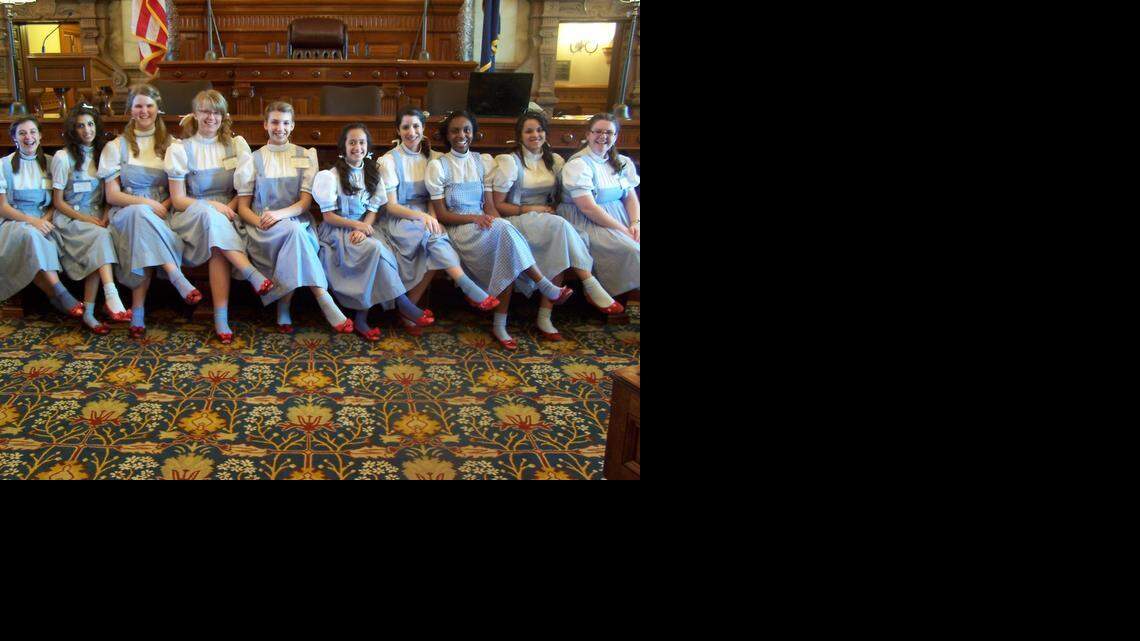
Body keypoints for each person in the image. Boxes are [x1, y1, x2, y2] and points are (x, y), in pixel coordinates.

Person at [426, 110, 574, 350]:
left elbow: (489, 206)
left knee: (505, 241)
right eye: (455, 131)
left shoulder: (482, 162)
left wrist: (498, 224)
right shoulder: (438, 166)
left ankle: (501, 324)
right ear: (447, 135)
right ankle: (543, 286)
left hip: (483, 225)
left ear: (474, 133)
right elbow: (442, 215)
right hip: (459, 229)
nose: (461, 135)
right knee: (504, 235)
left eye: (466, 130)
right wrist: (477, 219)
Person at [492, 111, 623, 341]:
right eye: (529, 131)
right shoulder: (510, 162)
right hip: (516, 218)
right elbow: (499, 205)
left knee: (562, 236)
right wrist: (532, 209)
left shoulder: (555, 161)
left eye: (540, 130)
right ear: (520, 135)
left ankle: (545, 317)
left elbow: (565, 195)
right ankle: (589, 283)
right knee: (559, 227)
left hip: (547, 220)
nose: (535, 135)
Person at [377, 106, 498, 336]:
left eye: (416, 126)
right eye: (405, 127)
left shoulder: (434, 158)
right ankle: (467, 286)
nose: (411, 132)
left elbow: (435, 197)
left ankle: (409, 308)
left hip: (426, 215)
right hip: (401, 217)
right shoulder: (389, 160)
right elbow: (391, 206)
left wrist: (433, 217)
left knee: (437, 239)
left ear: (423, 128)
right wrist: (424, 217)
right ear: (398, 130)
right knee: (433, 238)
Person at [235, 101, 353, 334]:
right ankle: (321, 296)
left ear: (292, 126)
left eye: (285, 123)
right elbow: (243, 208)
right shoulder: (253, 159)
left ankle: (284, 306)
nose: (280, 128)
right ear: (265, 125)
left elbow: (304, 204)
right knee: (294, 233)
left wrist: (279, 215)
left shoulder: (305, 156)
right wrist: (263, 222)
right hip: (262, 228)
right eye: (275, 122)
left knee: (294, 231)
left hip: (297, 221)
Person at [166, 89, 273, 344]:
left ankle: (220, 316)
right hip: (191, 212)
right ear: (195, 114)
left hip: (230, 212)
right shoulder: (180, 149)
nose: (210, 117)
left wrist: (229, 209)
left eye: (216, 112)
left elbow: (242, 191)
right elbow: (178, 200)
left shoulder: (236, 145)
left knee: (217, 246)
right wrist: (213, 206)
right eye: (205, 111)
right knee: (210, 217)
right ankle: (249, 272)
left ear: (223, 116)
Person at [313, 123, 434, 341]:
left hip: (365, 228)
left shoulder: (372, 173)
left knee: (379, 250)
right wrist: (356, 226)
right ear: (343, 146)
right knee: (375, 250)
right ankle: (403, 303)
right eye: (352, 142)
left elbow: (373, 209)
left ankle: (363, 318)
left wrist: (366, 228)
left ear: (367, 146)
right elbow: (328, 216)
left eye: (361, 142)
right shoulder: (330, 176)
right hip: (339, 230)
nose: (357, 147)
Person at [100, 83, 200, 338]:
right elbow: (112, 195)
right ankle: (175, 275)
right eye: (138, 106)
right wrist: (145, 205)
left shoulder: (172, 145)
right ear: (130, 110)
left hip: (163, 211)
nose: (144, 111)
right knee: (139, 216)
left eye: (149, 106)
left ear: (158, 109)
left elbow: (178, 191)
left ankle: (138, 310)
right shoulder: (116, 146)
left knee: (143, 230)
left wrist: (160, 206)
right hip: (125, 210)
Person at [50, 104, 132, 333]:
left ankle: (88, 313)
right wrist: (86, 220)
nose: (87, 130)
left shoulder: (103, 154)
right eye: (80, 126)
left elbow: (108, 196)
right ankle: (111, 295)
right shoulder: (63, 157)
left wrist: (104, 216)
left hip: (97, 218)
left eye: (90, 124)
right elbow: (58, 202)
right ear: (72, 130)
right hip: (72, 219)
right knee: (100, 238)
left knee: (100, 245)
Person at [0, 116, 84, 321]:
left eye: (32, 132)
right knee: (31, 236)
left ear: (40, 136)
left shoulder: (51, 162)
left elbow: (57, 201)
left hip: (45, 219)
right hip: (13, 221)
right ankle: (60, 292)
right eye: (22, 133)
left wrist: (44, 220)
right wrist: (33, 222)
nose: (28, 137)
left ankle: (55, 297)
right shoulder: (3, 165)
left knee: (39, 241)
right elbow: (2, 207)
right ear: (14, 138)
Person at [557, 113, 640, 298]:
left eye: (609, 132)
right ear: (588, 134)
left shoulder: (622, 162)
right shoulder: (579, 165)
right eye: (598, 131)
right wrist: (623, 230)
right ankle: (613, 297)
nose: (603, 136)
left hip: (619, 217)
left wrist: (635, 223)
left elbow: (630, 197)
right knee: (631, 249)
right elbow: (588, 208)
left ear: (616, 136)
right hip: (586, 221)